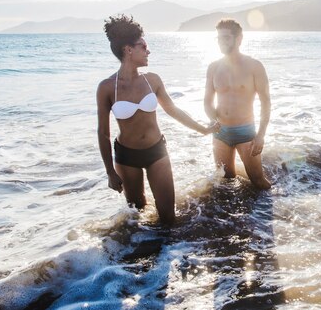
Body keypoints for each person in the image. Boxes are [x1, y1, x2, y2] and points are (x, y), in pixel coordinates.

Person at [97, 14, 218, 226]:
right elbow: (103, 133)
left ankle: (169, 254)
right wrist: (110, 172)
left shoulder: (152, 80)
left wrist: (203, 129)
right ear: (128, 50)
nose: (148, 51)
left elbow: (173, 109)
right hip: (126, 157)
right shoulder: (107, 87)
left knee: (169, 217)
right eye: (143, 47)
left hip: (156, 151)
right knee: (137, 215)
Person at [204, 18, 272, 190]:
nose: (221, 42)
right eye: (219, 38)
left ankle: (279, 213)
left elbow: (266, 102)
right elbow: (207, 101)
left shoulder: (254, 66)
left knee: (258, 182)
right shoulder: (213, 67)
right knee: (226, 182)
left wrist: (261, 135)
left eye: (226, 38)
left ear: (239, 39)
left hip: (246, 132)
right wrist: (213, 119)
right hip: (220, 133)